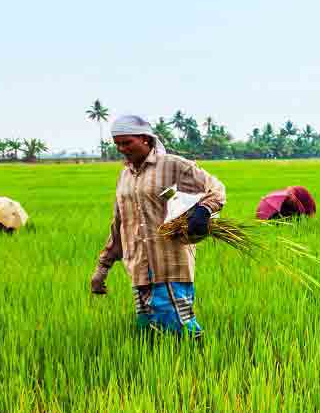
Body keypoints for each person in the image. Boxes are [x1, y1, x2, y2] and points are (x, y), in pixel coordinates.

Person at [89, 115, 226, 337]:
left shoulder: (171, 165)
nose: (122, 149)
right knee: (149, 329)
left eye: (127, 142)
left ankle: (199, 362)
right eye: (117, 144)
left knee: (178, 324)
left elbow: (216, 188)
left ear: (145, 139)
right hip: (138, 266)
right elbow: (119, 224)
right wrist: (102, 268)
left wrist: (204, 210)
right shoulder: (125, 175)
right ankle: (165, 366)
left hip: (169, 263)